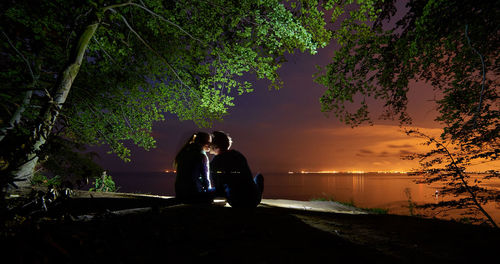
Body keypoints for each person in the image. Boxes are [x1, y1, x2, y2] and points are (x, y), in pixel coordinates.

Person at [209, 131, 264, 208]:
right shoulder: (238, 155)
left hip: (235, 201)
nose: (208, 145)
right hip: (254, 200)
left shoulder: (215, 162)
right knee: (259, 177)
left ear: (215, 145)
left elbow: (218, 188)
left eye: (210, 143)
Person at [174, 132, 214, 203]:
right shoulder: (201, 156)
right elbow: (206, 180)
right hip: (194, 195)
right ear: (205, 143)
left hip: (180, 194)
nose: (211, 145)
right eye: (209, 142)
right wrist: (209, 194)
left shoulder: (184, 152)